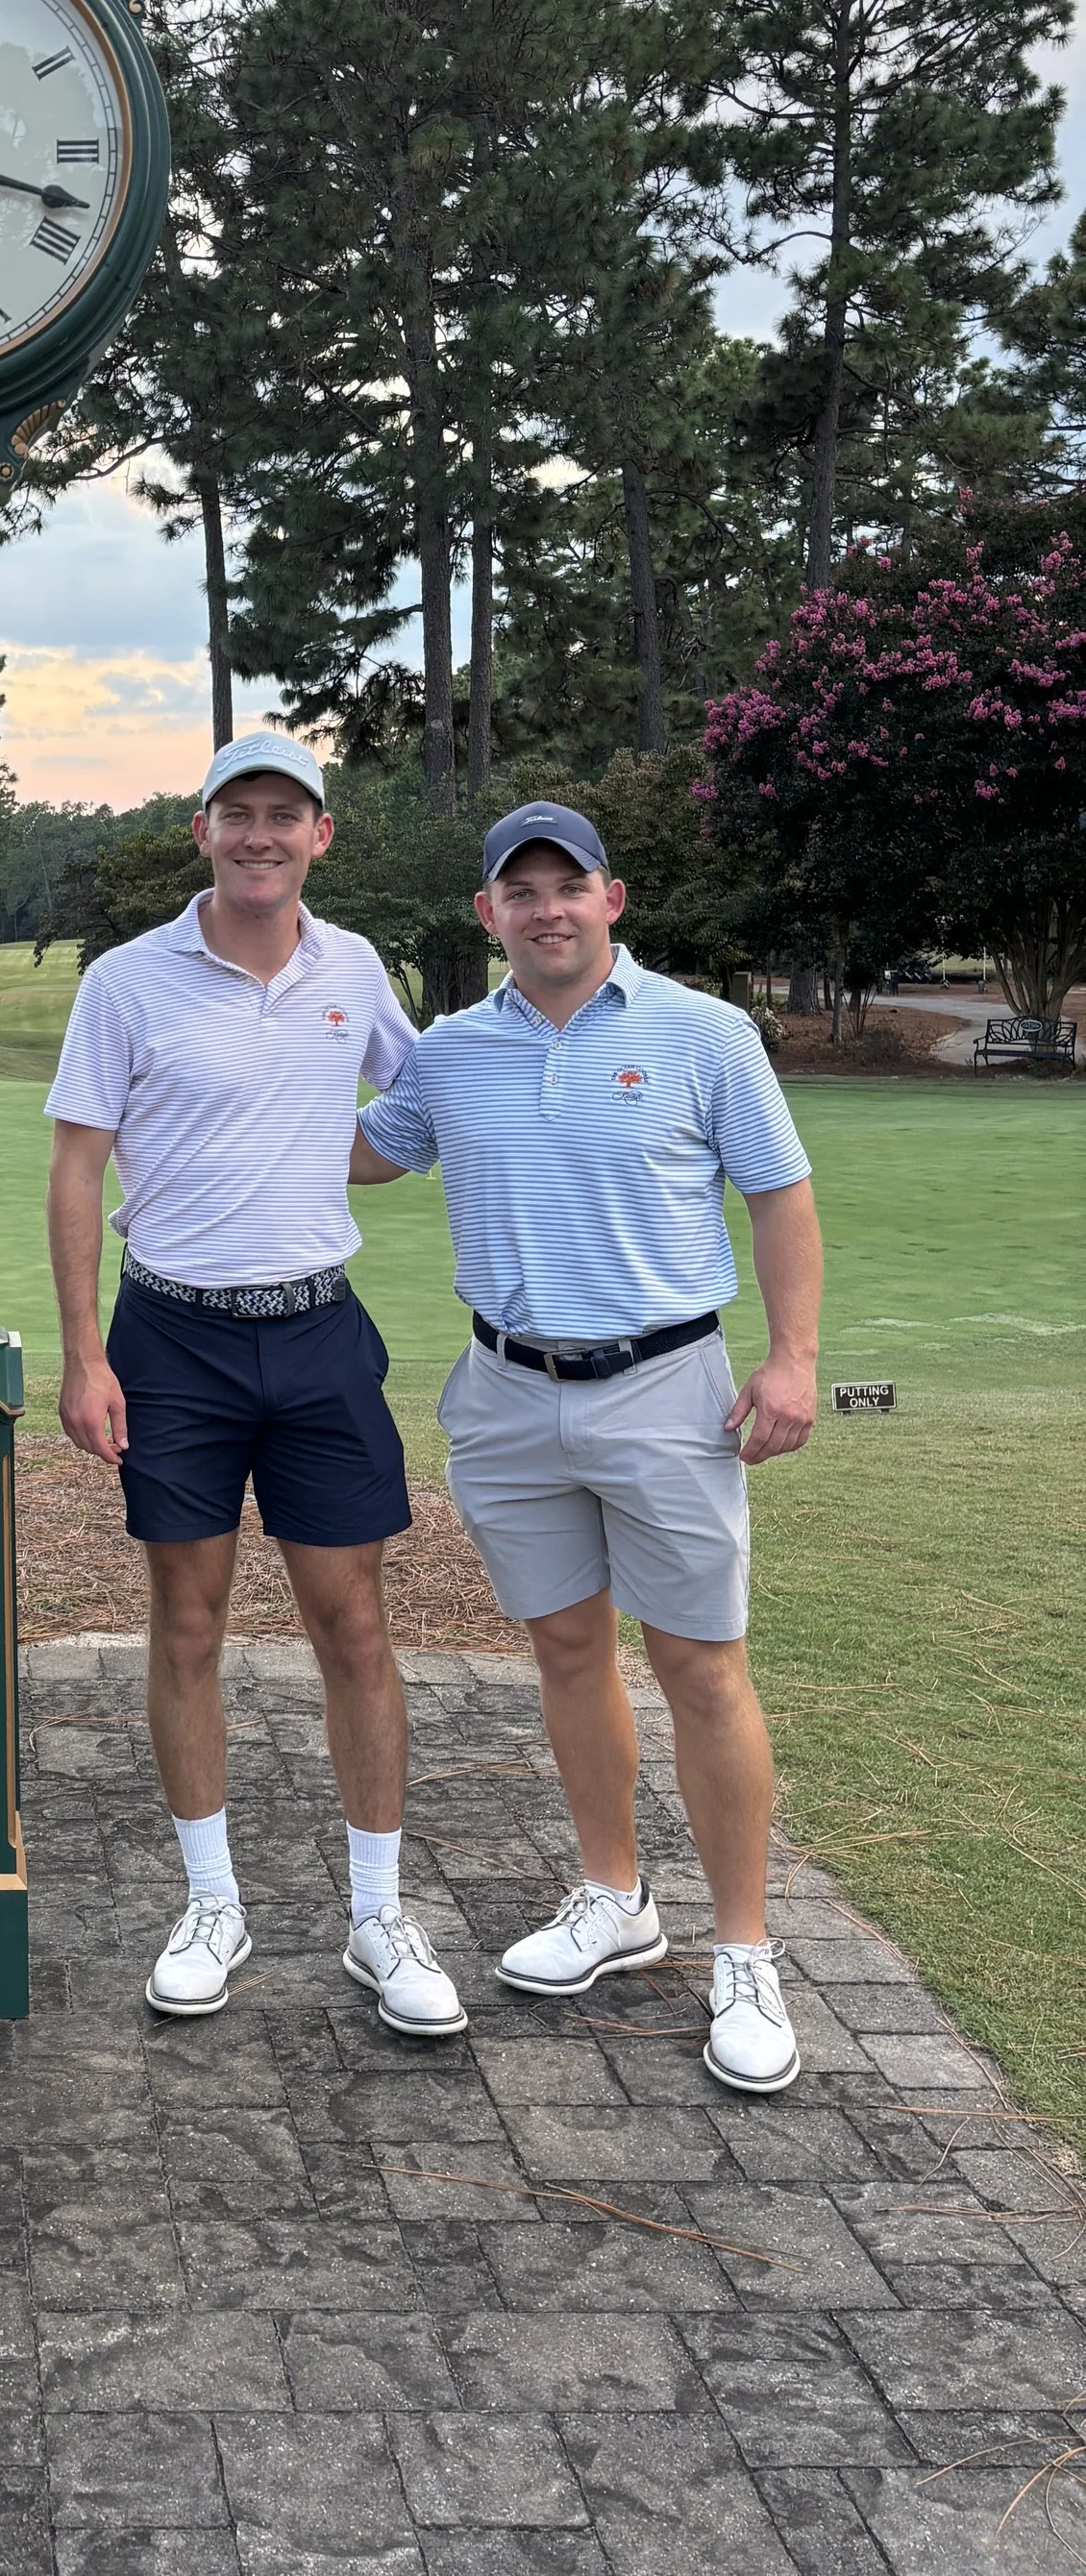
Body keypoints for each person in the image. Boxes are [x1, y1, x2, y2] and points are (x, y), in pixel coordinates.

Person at [352, 800, 822, 2095]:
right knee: (567, 1648)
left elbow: (779, 1195)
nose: (546, 907)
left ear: (612, 898)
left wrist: (791, 1361)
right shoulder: (448, 1054)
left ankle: (744, 1950)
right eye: (521, 890)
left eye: (570, 885)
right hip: (507, 1390)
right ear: (488, 915)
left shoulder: (704, 1033)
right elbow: (357, 1155)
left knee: (701, 1664)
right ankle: (617, 1896)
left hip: (669, 1385)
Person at [47, 736, 467, 2041]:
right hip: (171, 1339)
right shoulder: (127, 981)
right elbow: (75, 1171)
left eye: (286, 816)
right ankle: (213, 1902)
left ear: (320, 836)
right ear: (204, 829)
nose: (261, 836)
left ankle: (378, 1916)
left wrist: (325, 1156)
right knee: (188, 1622)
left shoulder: (354, 970)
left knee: (354, 1626)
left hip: (320, 1334)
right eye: (240, 814)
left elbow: (422, 1105)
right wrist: (82, 1352)